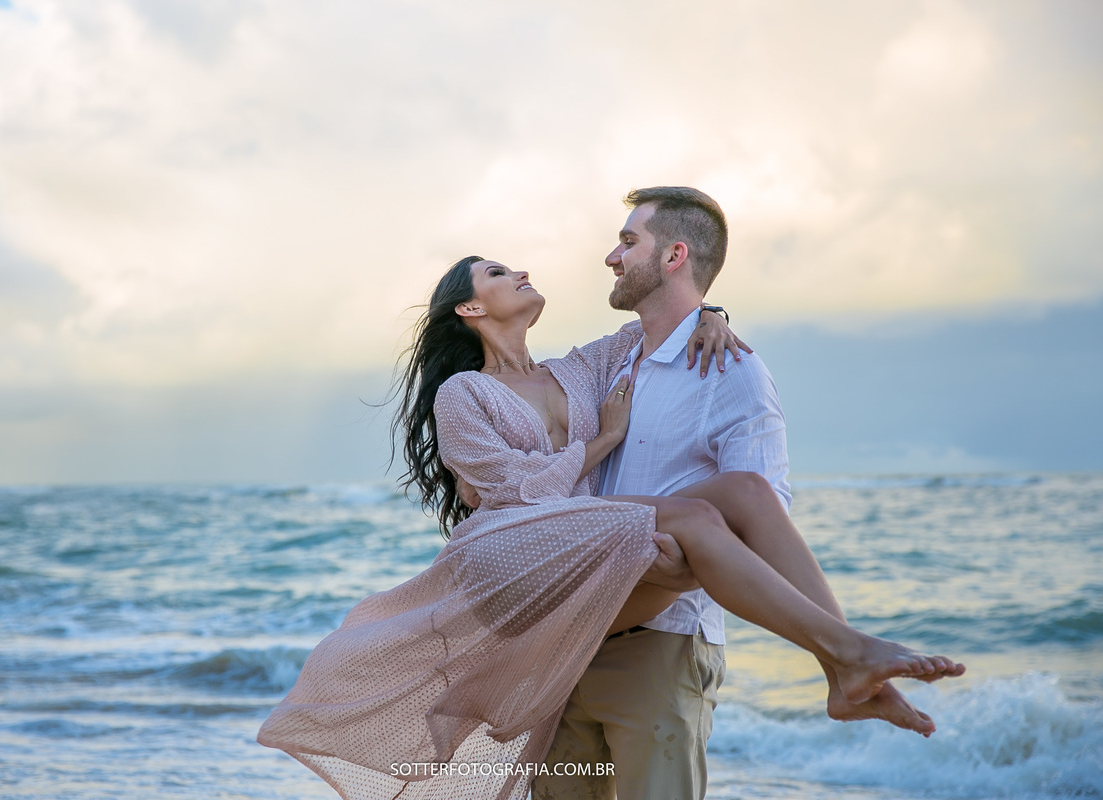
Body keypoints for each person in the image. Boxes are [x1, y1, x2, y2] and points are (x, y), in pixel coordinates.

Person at [257, 248, 964, 800]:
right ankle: (848, 654)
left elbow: (661, 320)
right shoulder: (462, 394)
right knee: (689, 520)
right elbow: (512, 492)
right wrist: (599, 444)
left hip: (585, 539)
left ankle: (845, 663)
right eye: (500, 272)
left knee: (744, 494)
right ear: (471, 308)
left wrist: (714, 313)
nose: (521, 272)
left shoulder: (583, 369)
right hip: (513, 556)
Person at [533, 186, 943, 799]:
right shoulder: (613, 365)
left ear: (673, 255)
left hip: (661, 646)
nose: (611, 258)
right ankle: (846, 662)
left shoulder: (732, 372)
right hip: (566, 645)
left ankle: (846, 665)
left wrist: (692, 556)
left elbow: (761, 513)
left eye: (627, 241)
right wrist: (710, 313)